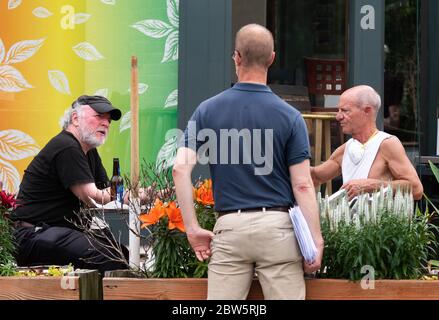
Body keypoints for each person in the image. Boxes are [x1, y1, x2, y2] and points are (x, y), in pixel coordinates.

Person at [173, 24, 324, 300]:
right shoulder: (290, 116)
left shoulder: (206, 110)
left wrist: (193, 229)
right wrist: (315, 239)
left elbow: (180, 168)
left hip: (230, 227)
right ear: (272, 58)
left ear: (237, 57)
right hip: (278, 229)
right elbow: (302, 185)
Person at [11, 95, 131, 275]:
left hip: (56, 232)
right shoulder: (66, 146)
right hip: (33, 235)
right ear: (75, 118)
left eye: (108, 119)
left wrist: (145, 194)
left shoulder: (88, 151)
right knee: (108, 256)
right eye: (99, 116)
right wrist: (133, 195)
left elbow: (111, 192)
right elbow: (92, 197)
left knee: (121, 253)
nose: (106, 123)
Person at [311, 85, 423, 200]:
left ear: (367, 111)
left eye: (345, 110)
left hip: (380, 218)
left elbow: (416, 189)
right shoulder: (347, 148)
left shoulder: (387, 143)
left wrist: (372, 185)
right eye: (338, 110)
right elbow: (315, 177)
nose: (338, 116)